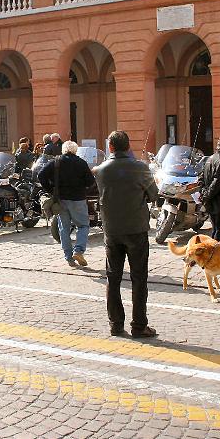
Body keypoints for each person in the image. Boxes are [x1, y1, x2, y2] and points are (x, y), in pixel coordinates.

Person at [95, 130, 158, 338]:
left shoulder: (101, 170)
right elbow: (154, 195)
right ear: (128, 146)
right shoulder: (140, 168)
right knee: (139, 278)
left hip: (112, 230)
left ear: (110, 147)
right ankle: (139, 325)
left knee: (113, 278)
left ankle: (115, 324)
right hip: (136, 228)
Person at [38, 140, 95, 267]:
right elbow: (91, 182)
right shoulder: (81, 162)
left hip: (61, 200)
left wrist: (50, 189)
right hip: (78, 199)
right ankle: (78, 251)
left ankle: (69, 258)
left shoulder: (56, 161)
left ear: (63, 150)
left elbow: (41, 175)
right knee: (83, 226)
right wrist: (84, 189)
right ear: (75, 150)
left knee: (64, 228)